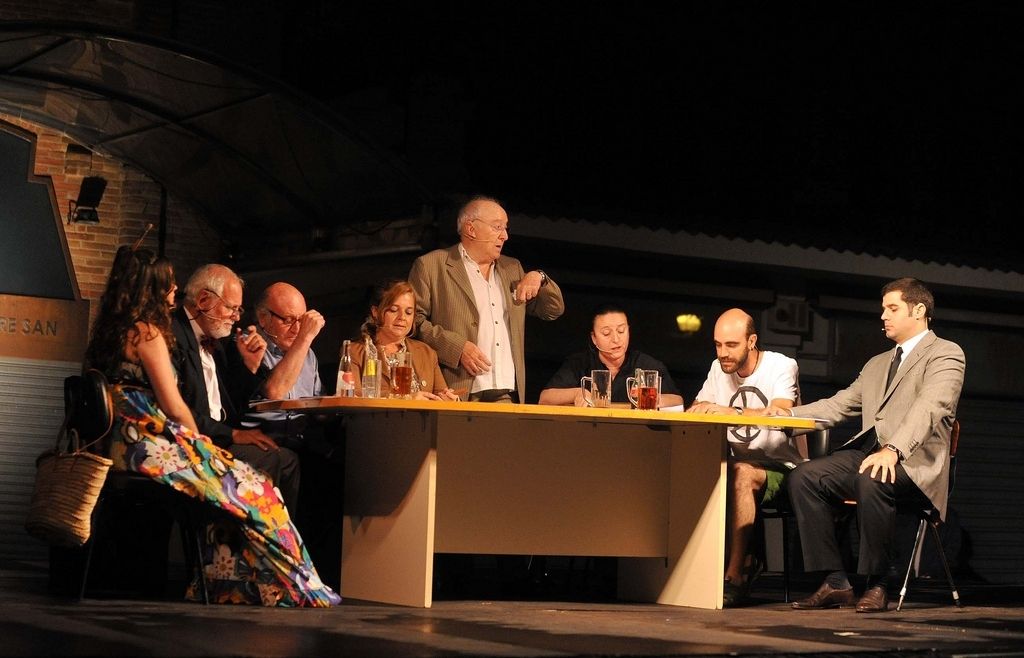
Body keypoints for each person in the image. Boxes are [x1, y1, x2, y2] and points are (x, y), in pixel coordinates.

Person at [83, 245, 340, 607]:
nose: (176, 291)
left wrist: (248, 368)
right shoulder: (152, 334)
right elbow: (175, 406)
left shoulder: (108, 332)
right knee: (258, 488)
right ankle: (270, 582)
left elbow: (222, 401)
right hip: (151, 448)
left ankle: (242, 579)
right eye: (169, 285)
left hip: (122, 444)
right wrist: (202, 446)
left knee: (265, 470)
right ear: (152, 289)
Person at [760, 277, 965, 613]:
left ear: (918, 310)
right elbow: (839, 404)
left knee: (873, 476)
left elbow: (930, 407)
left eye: (892, 308)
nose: (883, 316)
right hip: (874, 456)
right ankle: (835, 581)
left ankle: (879, 582)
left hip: (915, 464)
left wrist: (894, 450)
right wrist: (788, 413)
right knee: (805, 477)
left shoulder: (946, 354)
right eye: (883, 309)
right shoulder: (877, 364)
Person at [685, 308, 803, 607]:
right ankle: (687, 572)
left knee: (741, 473)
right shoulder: (718, 368)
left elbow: (780, 411)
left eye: (731, 345)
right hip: (733, 464)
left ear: (752, 341)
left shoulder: (781, 365)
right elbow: (698, 407)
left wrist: (731, 411)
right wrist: (700, 409)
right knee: (695, 468)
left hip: (782, 468)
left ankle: (736, 574)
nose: (722, 353)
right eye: (717, 345)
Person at [170, 263, 301, 512]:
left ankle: (280, 535)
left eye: (239, 309)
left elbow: (230, 404)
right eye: (231, 308)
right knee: (269, 458)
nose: (237, 317)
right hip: (193, 441)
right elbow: (179, 410)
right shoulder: (173, 335)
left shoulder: (217, 341)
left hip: (218, 435)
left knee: (288, 460)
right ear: (203, 300)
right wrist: (232, 435)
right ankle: (245, 534)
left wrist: (250, 367)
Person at [409, 195, 564, 403]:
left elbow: (553, 310)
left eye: (505, 228)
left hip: (505, 391)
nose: (505, 236)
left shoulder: (512, 268)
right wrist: (457, 348)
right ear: (471, 229)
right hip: (455, 389)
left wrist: (540, 277)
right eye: (497, 227)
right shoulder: (431, 265)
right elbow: (414, 322)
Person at [539, 304, 684, 408]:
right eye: (606, 333)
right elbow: (545, 398)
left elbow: (677, 400)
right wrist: (577, 393)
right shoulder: (579, 363)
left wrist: (653, 398)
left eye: (621, 331)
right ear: (594, 338)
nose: (616, 339)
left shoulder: (647, 365)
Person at [348, 279, 460, 400]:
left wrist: (450, 400)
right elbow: (351, 396)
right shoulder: (355, 352)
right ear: (375, 312)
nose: (402, 317)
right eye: (394, 310)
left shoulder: (427, 353)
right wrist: (405, 398)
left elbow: (441, 395)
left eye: (408, 312)